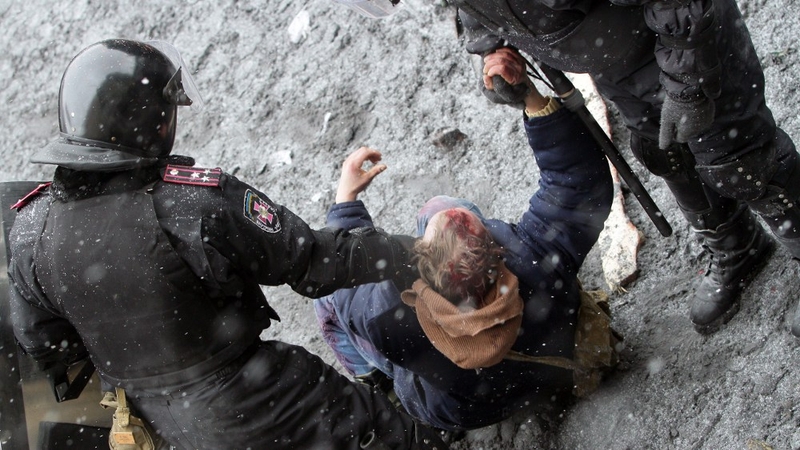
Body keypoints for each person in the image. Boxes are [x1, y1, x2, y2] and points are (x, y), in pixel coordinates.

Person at [6, 39, 449, 450]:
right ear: (153, 123)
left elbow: (44, 345)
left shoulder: (27, 229)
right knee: (387, 435)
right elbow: (314, 265)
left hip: (158, 423)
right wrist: (411, 253)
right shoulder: (194, 203)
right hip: (261, 401)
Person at [332, 0, 800, 337]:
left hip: (679, 39)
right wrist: (492, 45)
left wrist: (689, 79)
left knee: (742, 160)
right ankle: (735, 244)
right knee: (665, 154)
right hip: (617, 59)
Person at [314, 50, 618, 431]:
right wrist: (530, 97)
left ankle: (378, 385)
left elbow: (334, 271)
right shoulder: (535, 257)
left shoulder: (383, 315)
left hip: (470, 408)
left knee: (326, 302)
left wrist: (346, 202)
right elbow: (577, 182)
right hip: (554, 352)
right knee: (442, 205)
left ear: (420, 262)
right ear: (496, 251)